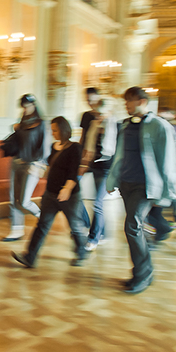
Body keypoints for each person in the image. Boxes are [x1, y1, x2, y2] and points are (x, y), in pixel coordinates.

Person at [106, 87, 176, 294]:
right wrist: (114, 179)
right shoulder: (126, 125)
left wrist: (167, 193)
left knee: (132, 226)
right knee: (132, 229)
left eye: (128, 101)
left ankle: (144, 275)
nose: (126, 105)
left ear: (141, 101)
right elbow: (119, 155)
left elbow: (167, 161)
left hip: (146, 186)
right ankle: (140, 272)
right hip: (126, 184)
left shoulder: (160, 126)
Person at [11, 116, 89, 268]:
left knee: (75, 226)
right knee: (42, 226)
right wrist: (37, 170)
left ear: (64, 130)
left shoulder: (75, 148)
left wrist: (66, 189)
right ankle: (30, 257)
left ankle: (82, 252)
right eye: (52, 130)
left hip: (69, 196)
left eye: (55, 130)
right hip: (51, 194)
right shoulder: (54, 147)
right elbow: (50, 168)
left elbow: (73, 173)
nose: (53, 133)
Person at [3, 94, 48, 242]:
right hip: (17, 163)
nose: (25, 108)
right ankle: (16, 230)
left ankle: (43, 217)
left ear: (34, 105)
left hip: (32, 165)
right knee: (13, 199)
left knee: (24, 201)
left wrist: (39, 164)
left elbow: (45, 148)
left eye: (27, 105)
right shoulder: (22, 122)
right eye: (23, 106)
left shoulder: (41, 124)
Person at [77, 88, 116, 252]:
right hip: (91, 163)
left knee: (98, 203)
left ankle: (93, 238)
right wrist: (82, 162)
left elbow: (116, 150)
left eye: (102, 114)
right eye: (97, 114)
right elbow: (86, 143)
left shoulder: (114, 125)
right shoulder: (92, 122)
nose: (99, 117)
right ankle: (100, 230)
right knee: (75, 193)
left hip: (106, 168)